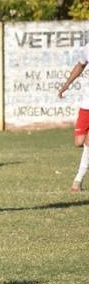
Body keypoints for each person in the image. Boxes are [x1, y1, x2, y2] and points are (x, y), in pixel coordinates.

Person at [57, 48, 89, 192]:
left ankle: (77, 180)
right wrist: (66, 85)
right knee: (79, 142)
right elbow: (80, 66)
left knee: (88, 143)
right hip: (86, 104)